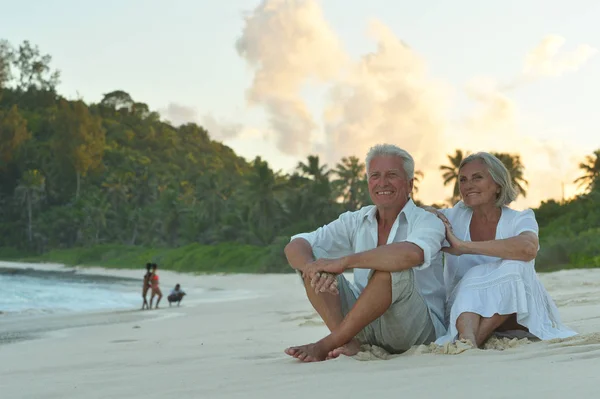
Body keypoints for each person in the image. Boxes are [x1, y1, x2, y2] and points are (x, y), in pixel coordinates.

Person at [283, 144, 447, 362]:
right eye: (375, 176)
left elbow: (410, 255)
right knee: (314, 263)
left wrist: (344, 262)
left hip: (414, 329)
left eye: (392, 175)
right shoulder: (356, 220)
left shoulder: (428, 220)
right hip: (364, 326)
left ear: (409, 184)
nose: (382, 183)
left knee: (392, 269)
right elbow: (296, 244)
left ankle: (329, 342)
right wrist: (313, 269)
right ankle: (345, 341)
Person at [428, 152, 577, 348]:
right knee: (474, 277)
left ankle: (470, 342)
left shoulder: (520, 218)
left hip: (518, 314)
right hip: (465, 312)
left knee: (517, 264)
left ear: (498, 184)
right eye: (463, 180)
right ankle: (469, 341)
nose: (468, 185)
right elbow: (417, 215)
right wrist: (428, 212)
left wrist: (464, 247)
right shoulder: (454, 216)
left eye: (477, 177)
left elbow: (528, 248)